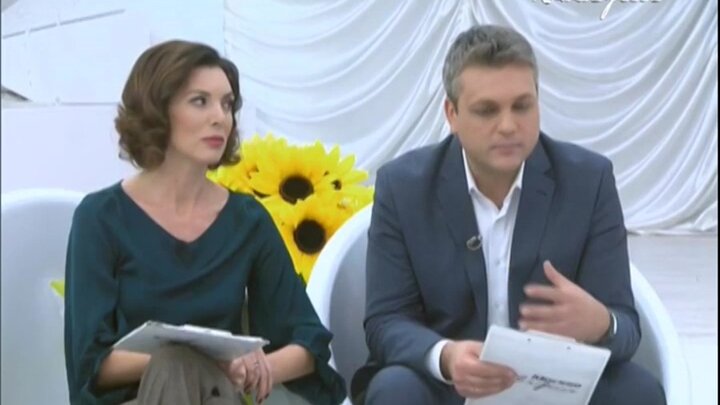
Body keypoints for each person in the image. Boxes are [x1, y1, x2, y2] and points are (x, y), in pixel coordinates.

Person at [351, 25, 666, 405]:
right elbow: (386, 321)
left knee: (638, 392)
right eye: (487, 110)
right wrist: (447, 357)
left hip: (555, 384)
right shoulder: (403, 187)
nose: (508, 126)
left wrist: (601, 324)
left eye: (522, 106)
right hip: (449, 385)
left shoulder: (588, 181)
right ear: (452, 113)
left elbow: (626, 326)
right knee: (394, 389)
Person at [64, 40, 346, 405]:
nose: (220, 117)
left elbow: (308, 343)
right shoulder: (100, 218)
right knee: (175, 365)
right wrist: (201, 361)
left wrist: (253, 368)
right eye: (200, 101)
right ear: (156, 111)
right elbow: (91, 362)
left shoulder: (246, 221)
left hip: (221, 394)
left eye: (227, 104)